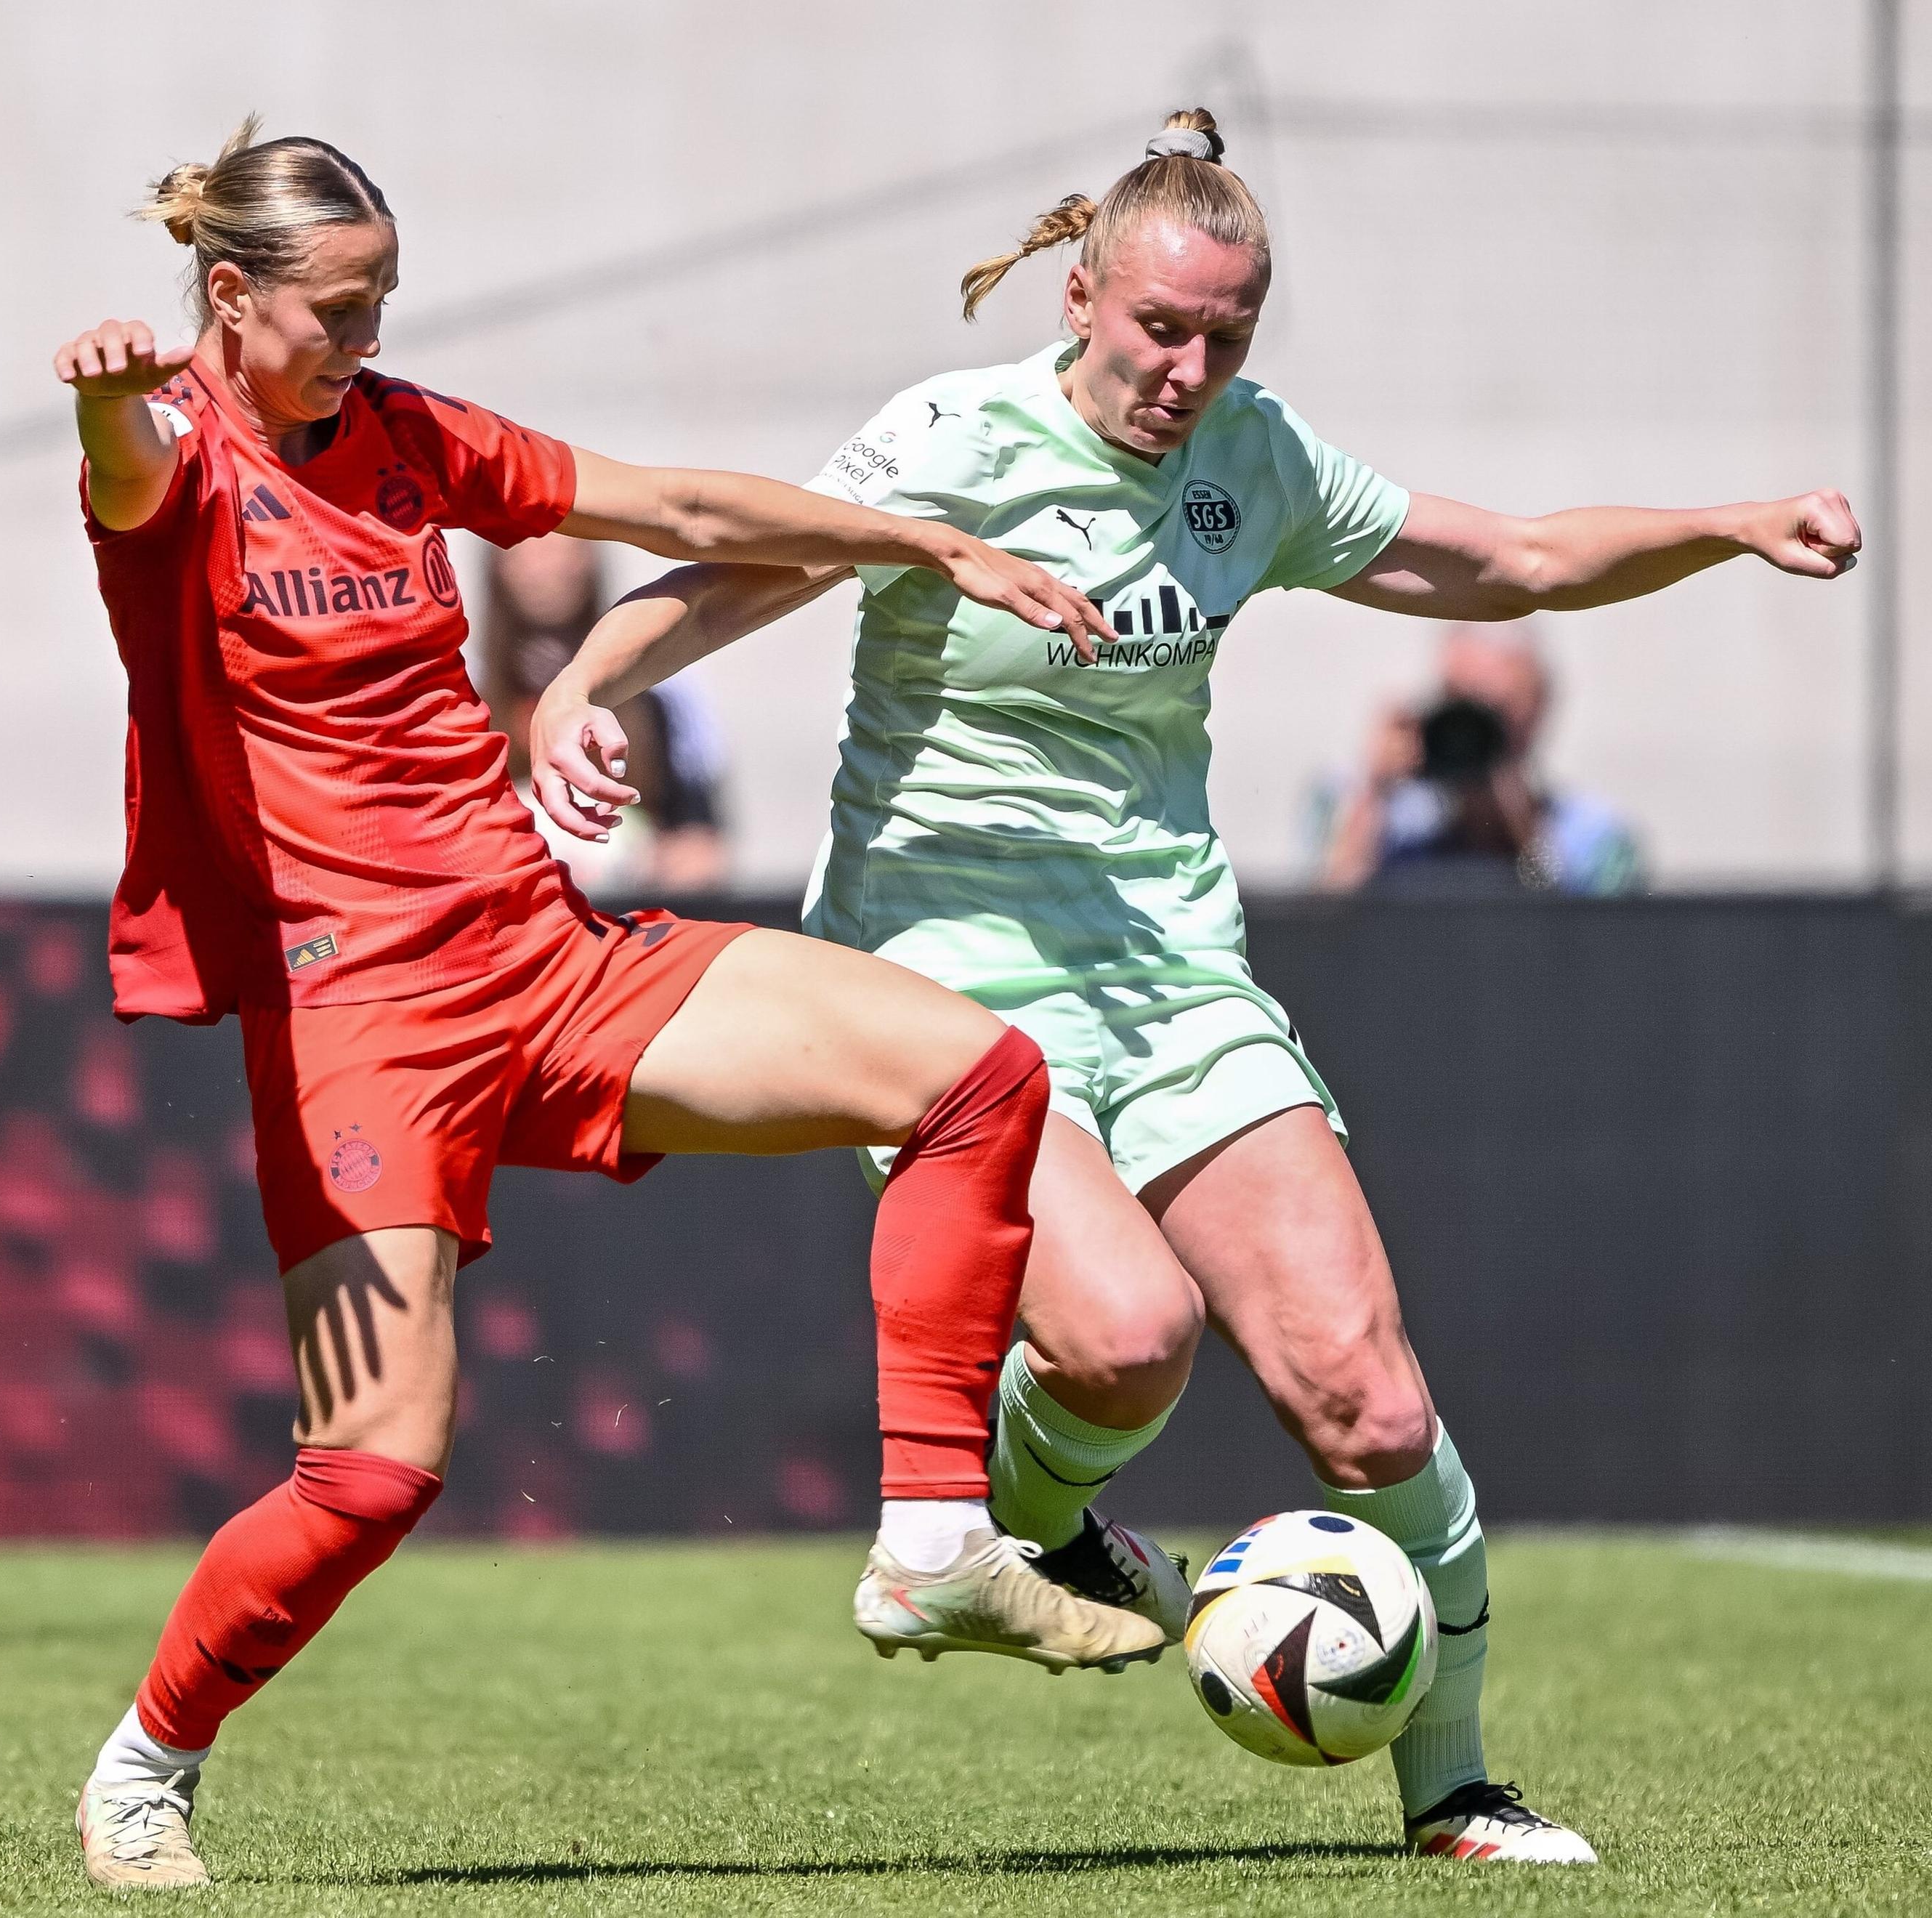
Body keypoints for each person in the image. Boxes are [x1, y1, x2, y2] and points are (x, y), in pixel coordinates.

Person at [530, 109, 1859, 1866]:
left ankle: (1451, 1786)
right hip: (939, 981)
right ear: (1080, 292)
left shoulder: (1254, 460)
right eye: (1160, 327)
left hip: (1168, 972)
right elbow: (730, 576)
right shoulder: (949, 439)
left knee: (1363, 1394)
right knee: (1125, 1335)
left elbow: (1514, 562)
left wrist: (1729, 520)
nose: (1186, 366)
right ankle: (1019, 1502)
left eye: (1223, 334)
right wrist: (581, 688)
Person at [57, 118, 1162, 1891]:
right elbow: (122, 483)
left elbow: (688, 510)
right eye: (336, 308)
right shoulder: (175, 451)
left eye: (384, 300)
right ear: (224, 296)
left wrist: (918, 543)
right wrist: (110, 399)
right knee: (371, 1476)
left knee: (970, 1074)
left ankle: (939, 1533)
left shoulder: (407, 433)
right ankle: (146, 1762)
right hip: (359, 1021)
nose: (365, 336)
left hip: (541, 954)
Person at [477, 533, 732, 890]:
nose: (553, 564)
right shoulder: (465, 698)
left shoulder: (662, 694)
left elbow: (703, 843)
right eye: (534, 548)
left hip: (629, 917)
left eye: (570, 548)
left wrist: (640, 860)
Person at [1317, 623, 1644, 894]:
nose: (1471, 727)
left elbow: (1585, 946)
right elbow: (1324, 929)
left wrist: (1522, 828)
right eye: (1458, 700)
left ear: (1539, 709)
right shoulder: (1376, 816)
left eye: (1496, 707)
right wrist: (1374, 793)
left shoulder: (1596, 837)